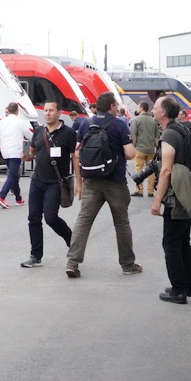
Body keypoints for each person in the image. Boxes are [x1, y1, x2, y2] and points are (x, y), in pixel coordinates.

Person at [65, 92, 142, 278]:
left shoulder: (86, 123)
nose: (117, 108)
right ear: (111, 106)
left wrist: (80, 182)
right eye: (116, 105)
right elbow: (131, 154)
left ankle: (72, 263)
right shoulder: (119, 124)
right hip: (114, 181)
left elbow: (78, 152)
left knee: (83, 221)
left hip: (91, 180)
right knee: (121, 223)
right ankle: (128, 265)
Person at [150, 96, 191, 304]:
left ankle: (178, 290)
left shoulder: (170, 134)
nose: (152, 110)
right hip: (188, 191)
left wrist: (157, 200)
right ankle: (190, 287)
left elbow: (166, 170)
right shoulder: (182, 129)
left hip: (176, 196)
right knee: (182, 241)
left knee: (170, 243)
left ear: (162, 112)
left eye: (155, 108)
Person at [20, 100, 76, 268]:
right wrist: (26, 157)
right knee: (33, 218)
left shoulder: (69, 133)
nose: (47, 113)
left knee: (51, 218)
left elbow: (75, 157)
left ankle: (71, 240)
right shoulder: (38, 131)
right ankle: (35, 255)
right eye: (45, 110)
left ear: (59, 113)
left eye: (51, 110)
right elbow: (32, 153)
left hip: (56, 182)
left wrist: (79, 182)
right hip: (37, 180)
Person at [0, 102, 33, 208]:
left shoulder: (1, 122)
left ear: (9, 110)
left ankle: (18, 198)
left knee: (14, 175)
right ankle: (1, 196)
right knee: (12, 175)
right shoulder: (21, 122)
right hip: (16, 151)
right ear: (17, 111)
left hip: (5, 151)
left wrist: (3, 146)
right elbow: (29, 135)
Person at [129, 101, 160, 197]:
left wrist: (133, 146)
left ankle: (139, 190)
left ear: (142, 108)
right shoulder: (153, 121)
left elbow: (133, 135)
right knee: (151, 170)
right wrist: (157, 148)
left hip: (139, 148)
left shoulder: (136, 120)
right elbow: (156, 137)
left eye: (138, 107)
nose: (137, 109)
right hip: (151, 149)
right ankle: (150, 191)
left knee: (139, 168)